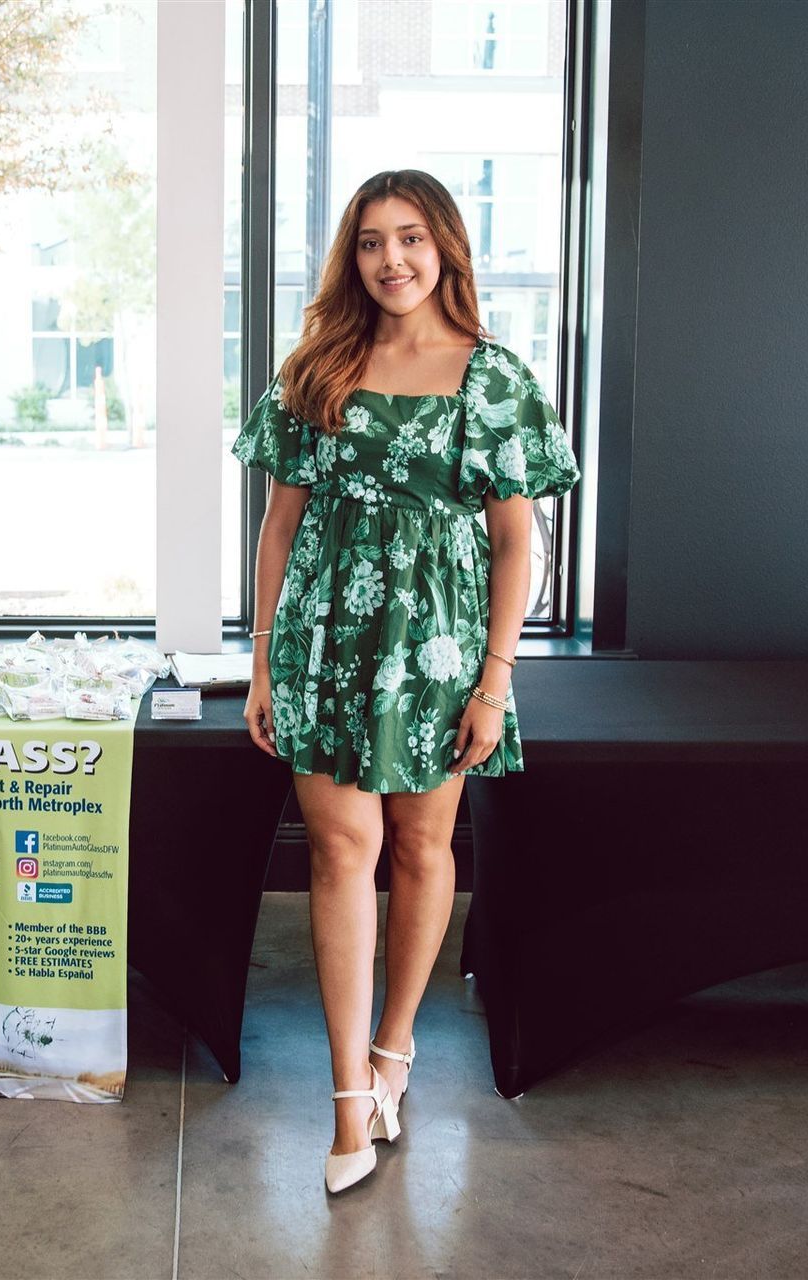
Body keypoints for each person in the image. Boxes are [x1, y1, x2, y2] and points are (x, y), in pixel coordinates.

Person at [233, 169, 581, 1194]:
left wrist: (496, 677)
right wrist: (262, 655)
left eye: (412, 239)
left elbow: (518, 539)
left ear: (447, 251)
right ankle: (348, 1098)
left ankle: (396, 1052)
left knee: (426, 844)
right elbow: (280, 524)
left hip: (440, 648)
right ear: (353, 257)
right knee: (343, 849)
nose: (393, 260)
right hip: (328, 637)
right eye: (373, 242)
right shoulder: (318, 368)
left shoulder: (494, 378)